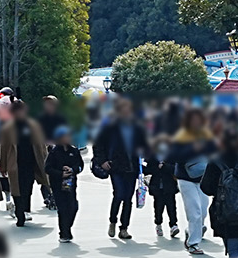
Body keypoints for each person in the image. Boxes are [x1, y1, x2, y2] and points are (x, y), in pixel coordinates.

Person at [92, 104, 147, 240]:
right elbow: (98, 145)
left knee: (128, 198)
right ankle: (113, 221)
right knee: (119, 194)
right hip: (115, 166)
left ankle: (124, 228)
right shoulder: (110, 127)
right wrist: (102, 161)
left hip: (131, 167)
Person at [0, 98, 49, 228]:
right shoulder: (8, 128)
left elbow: (42, 145)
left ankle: (25, 209)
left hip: (31, 161)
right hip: (14, 163)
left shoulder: (33, 125)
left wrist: (45, 161)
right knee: (16, 188)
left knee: (27, 187)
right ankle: (20, 213)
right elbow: (3, 148)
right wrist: (2, 165)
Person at [204, 131, 238, 258]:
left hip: (223, 212)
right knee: (236, 247)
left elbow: (205, 187)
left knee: (233, 250)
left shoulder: (214, 161)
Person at [171, 106, 216, 254]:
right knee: (195, 212)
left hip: (203, 178)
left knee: (203, 212)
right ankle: (193, 244)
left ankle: (190, 232)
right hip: (186, 178)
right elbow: (172, 157)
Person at [45, 125, 83, 242]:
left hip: (70, 184)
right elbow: (47, 168)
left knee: (73, 206)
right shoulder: (54, 152)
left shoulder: (74, 151)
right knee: (62, 208)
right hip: (57, 185)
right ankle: (64, 233)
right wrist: (60, 174)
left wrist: (72, 170)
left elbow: (80, 165)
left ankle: (67, 227)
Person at [147, 136, 181, 239]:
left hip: (169, 184)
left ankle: (173, 225)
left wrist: (165, 166)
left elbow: (176, 168)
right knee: (158, 206)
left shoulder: (172, 155)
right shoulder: (152, 155)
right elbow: (149, 169)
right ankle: (158, 224)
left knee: (171, 206)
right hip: (157, 185)